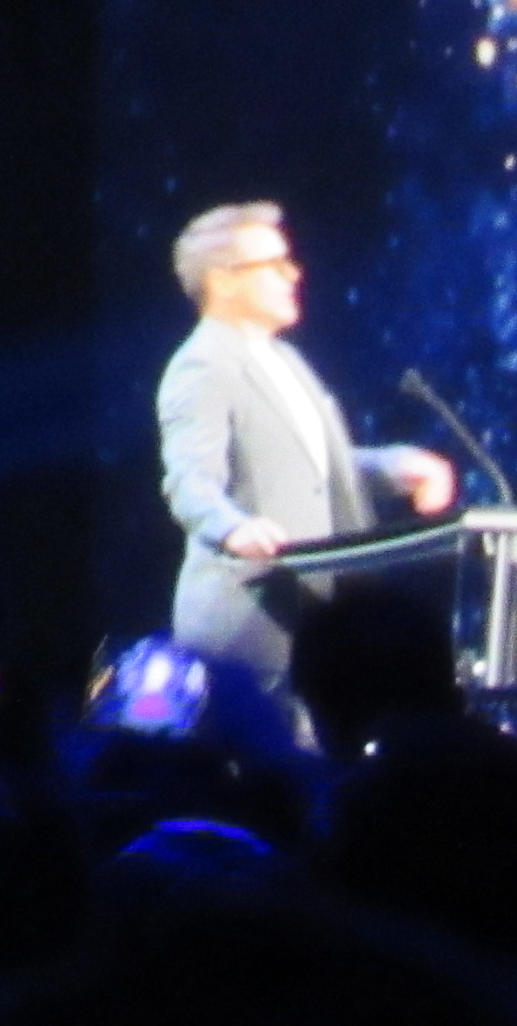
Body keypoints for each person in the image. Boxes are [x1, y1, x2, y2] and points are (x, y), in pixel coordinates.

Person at [153, 199, 454, 684]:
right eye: (275, 265)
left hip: (318, 625)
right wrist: (233, 528)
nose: (293, 275)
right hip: (249, 628)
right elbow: (189, 482)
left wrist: (394, 467)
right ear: (223, 281)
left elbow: (308, 467)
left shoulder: (286, 359)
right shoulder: (203, 365)